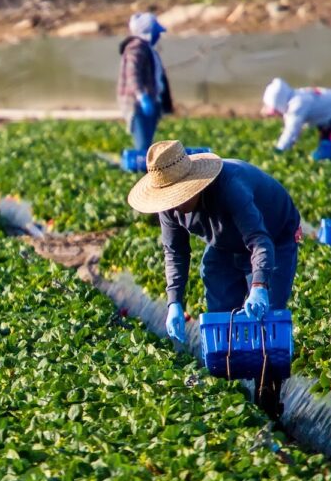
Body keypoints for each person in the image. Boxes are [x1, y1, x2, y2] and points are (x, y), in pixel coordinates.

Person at [126, 141, 301, 417]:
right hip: (223, 243)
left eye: (178, 195)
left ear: (193, 184)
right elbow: (175, 252)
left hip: (273, 236)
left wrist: (258, 286)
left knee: (267, 319)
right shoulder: (169, 207)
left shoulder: (230, 187)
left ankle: (268, 396)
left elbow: (259, 241)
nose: (175, 203)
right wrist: (174, 301)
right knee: (222, 312)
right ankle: (228, 397)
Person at [118, 12, 174, 152]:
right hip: (137, 103)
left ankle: (148, 168)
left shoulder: (147, 49)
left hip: (150, 100)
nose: (158, 35)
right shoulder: (136, 47)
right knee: (143, 145)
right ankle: (142, 171)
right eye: (156, 32)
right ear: (149, 32)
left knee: (148, 143)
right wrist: (142, 96)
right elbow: (132, 74)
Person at [262, 77, 331, 152]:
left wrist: (280, 149)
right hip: (329, 118)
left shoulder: (297, 105)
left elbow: (291, 131)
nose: (276, 114)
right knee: (326, 145)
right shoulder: (295, 97)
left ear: (280, 103)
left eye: (275, 110)